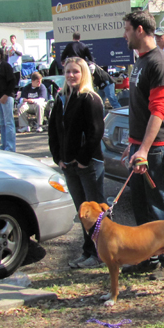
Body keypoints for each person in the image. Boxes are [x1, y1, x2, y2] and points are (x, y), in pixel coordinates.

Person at [120, 10, 164, 279]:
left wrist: (144, 149)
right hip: (141, 148)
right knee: (142, 207)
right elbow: (140, 111)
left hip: (157, 149)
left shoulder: (159, 63)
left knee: (162, 207)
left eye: (127, 29)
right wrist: (133, 145)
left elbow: (158, 111)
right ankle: (148, 257)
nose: (124, 34)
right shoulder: (141, 61)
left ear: (140, 30)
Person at [48, 57, 105, 269]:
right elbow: (53, 130)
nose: (71, 75)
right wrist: (58, 157)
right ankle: (88, 251)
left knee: (95, 212)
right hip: (68, 165)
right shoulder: (61, 98)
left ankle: (101, 253)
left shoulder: (90, 98)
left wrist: (81, 159)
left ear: (84, 74)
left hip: (88, 165)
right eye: (68, 71)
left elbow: (95, 132)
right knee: (83, 213)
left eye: (76, 71)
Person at [0, 45, 18, 152]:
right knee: (2, 123)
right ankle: (4, 144)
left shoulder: (5, 66)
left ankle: (10, 146)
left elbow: (12, 81)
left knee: (8, 122)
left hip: (5, 97)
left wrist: (6, 95)